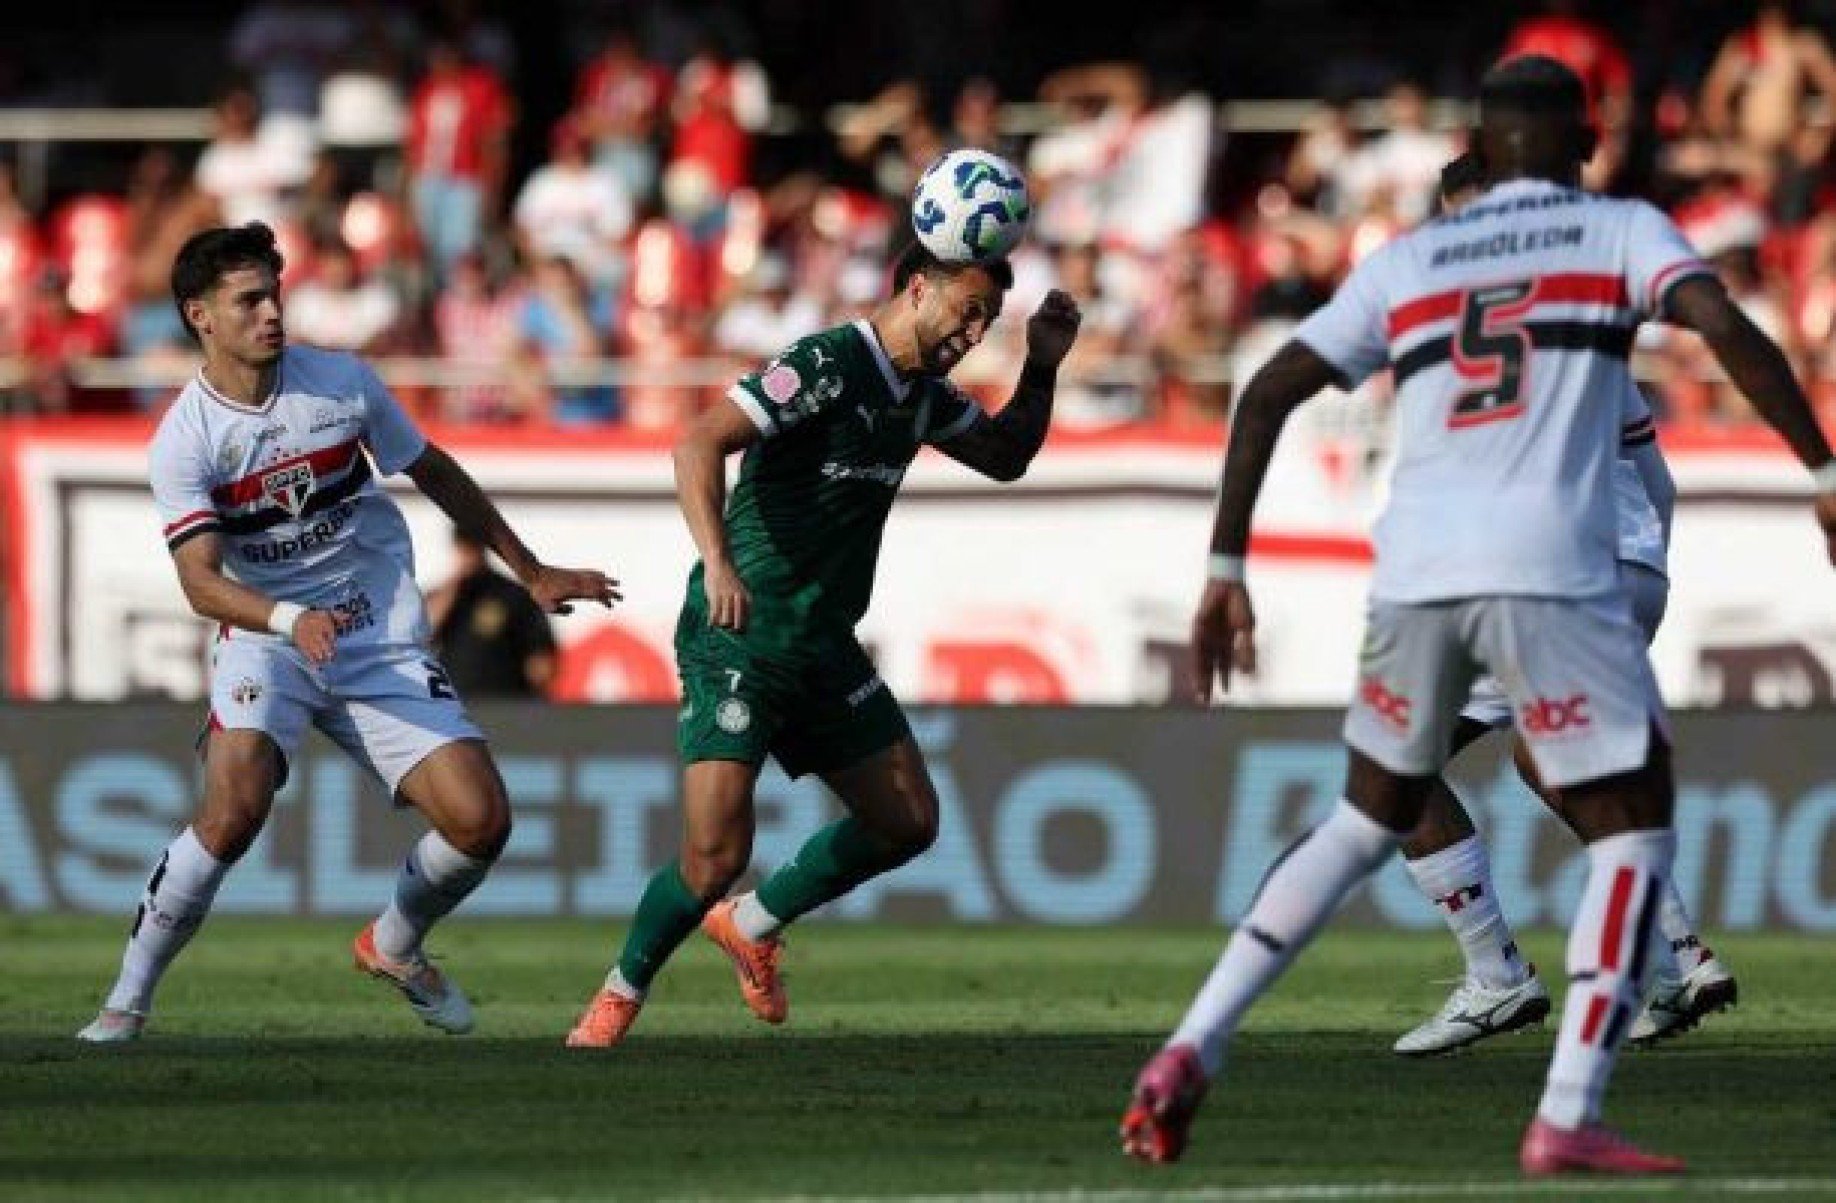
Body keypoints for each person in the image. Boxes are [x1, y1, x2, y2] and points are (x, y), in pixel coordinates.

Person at [1119, 56, 1836, 1175]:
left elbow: (1263, 392)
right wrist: (1822, 466)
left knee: (1366, 817)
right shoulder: (1613, 231)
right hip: (1554, 565)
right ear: (1580, 145)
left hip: (1415, 572)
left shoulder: (1411, 258)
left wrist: (1224, 566)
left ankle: (1187, 1049)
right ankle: (1573, 1103)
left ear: (1482, 151)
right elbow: (1725, 329)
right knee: (1630, 820)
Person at [76, 222, 618, 1043]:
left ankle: (394, 941)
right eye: (248, 299)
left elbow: (433, 469)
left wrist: (531, 570)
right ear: (201, 317)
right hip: (268, 635)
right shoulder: (184, 439)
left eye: (274, 293)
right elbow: (201, 583)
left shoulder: (340, 383)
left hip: (375, 634)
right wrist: (292, 619)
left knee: (483, 821)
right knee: (233, 810)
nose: (271, 312)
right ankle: (125, 1003)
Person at [564, 242, 1082, 1048]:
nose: (976, 331)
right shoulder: (826, 363)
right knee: (712, 855)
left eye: (987, 319)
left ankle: (753, 923)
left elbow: (1007, 456)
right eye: (967, 310)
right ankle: (619, 993)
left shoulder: (920, 395)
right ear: (918, 287)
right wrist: (717, 559)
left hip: (821, 641)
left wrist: (1042, 366)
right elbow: (697, 443)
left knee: (908, 819)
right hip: (740, 628)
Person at [1389, 154, 1735, 1058]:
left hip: (1551, 572)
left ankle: (1497, 977)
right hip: (1621, 569)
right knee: (1547, 764)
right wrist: (1645, 574)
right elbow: (1652, 475)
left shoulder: (1469, 333)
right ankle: (1682, 953)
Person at [428, 525, 559, 698]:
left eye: (473, 546)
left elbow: (541, 657)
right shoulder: (444, 595)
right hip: (455, 702)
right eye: (464, 547)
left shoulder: (514, 595)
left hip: (505, 702)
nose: (469, 554)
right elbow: (425, 631)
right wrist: (454, 584)